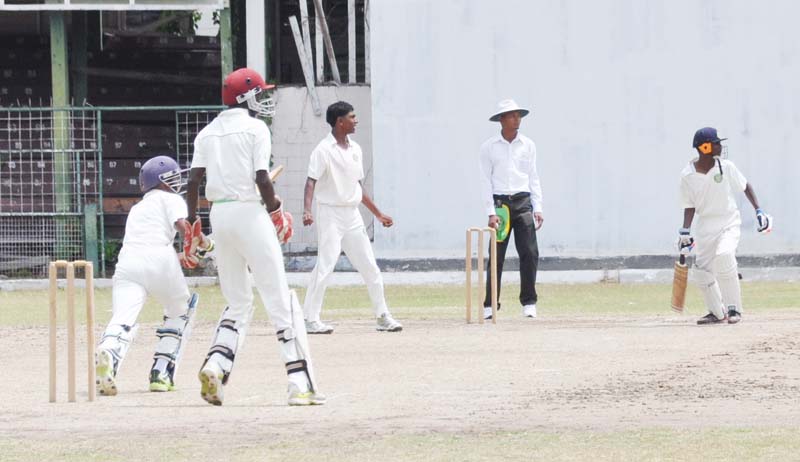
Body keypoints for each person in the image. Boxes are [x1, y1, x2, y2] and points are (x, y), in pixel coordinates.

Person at [186, 67, 324, 406]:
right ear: (245, 97)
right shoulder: (255, 128)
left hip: (219, 214)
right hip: (250, 212)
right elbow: (262, 178)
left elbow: (192, 182)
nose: (263, 100)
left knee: (238, 301)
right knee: (279, 300)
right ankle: (299, 384)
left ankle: (216, 365)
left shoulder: (207, 133)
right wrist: (276, 210)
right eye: (259, 94)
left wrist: (192, 226)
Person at [95, 155, 205, 395]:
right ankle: (161, 372)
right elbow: (181, 225)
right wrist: (197, 243)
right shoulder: (172, 198)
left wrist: (185, 252)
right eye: (173, 178)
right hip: (159, 259)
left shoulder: (138, 207)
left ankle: (108, 352)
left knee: (123, 317)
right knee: (181, 310)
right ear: (162, 182)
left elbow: (148, 240)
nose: (177, 183)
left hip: (128, 262)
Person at [301, 101, 403, 334]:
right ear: (340, 122)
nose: (356, 121)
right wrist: (307, 210)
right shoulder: (323, 150)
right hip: (329, 213)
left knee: (370, 266)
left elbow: (357, 186)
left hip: (352, 214)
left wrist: (378, 214)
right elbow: (310, 181)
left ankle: (382, 316)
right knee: (325, 265)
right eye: (352, 117)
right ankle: (310, 318)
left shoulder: (355, 148)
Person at [679, 127, 772, 325]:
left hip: (728, 221)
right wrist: (684, 231)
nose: (720, 146)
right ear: (705, 147)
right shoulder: (687, 175)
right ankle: (716, 313)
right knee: (702, 271)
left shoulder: (726, 166)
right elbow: (689, 205)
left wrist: (759, 211)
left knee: (724, 255)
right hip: (705, 226)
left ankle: (734, 309)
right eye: (716, 143)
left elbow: (746, 186)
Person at [479, 99, 544, 320]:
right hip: (501, 205)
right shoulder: (489, 147)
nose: (517, 119)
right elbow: (485, 181)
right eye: (512, 115)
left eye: (518, 115)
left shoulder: (528, 145)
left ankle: (529, 302)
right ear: (502, 119)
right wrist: (490, 212)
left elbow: (533, 177)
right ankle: (490, 305)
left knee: (530, 252)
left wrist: (538, 207)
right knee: (496, 255)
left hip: (523, 201)